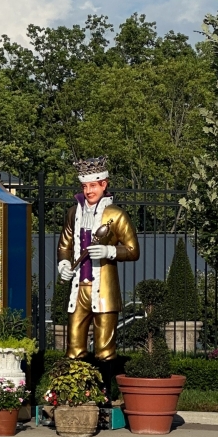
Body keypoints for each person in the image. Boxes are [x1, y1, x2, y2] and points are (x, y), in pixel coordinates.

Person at [56, 157, 139, 392]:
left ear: (104, 184)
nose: (88, 191)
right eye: (85, 186)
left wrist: (109, 251)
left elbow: (133, 250)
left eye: (93, 185)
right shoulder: (73, 213)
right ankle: (74, 392)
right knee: (74, 346)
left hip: (104, 291)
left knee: (105, 348)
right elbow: (64, 245)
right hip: (79, 289)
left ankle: (104, 394)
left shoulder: (116, 215)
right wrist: (64, 263)